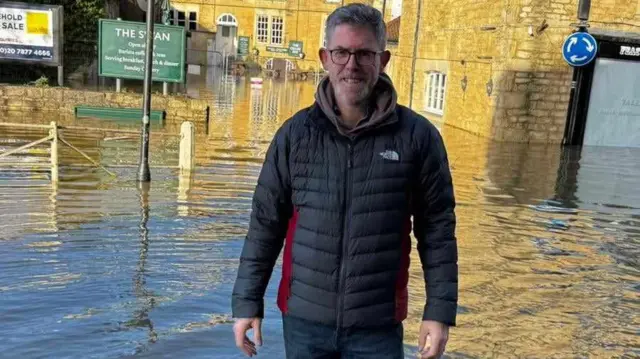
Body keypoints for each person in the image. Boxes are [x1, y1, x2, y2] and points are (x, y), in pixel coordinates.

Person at [231, 3, 458, 359]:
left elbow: (437, 231)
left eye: (364, 54)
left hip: (378, 327)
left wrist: (439, 312)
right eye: (341, 52)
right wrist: (246, 302)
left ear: (383, 60)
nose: (351, 65)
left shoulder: (418, 137)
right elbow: (265, 224)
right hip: (304, 322)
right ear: (325, 57)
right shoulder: (294, 136)